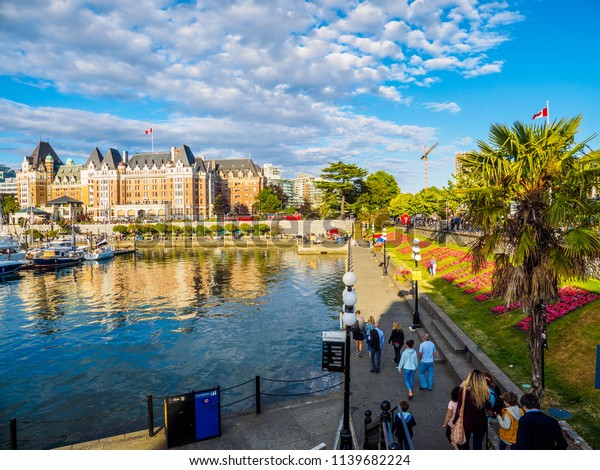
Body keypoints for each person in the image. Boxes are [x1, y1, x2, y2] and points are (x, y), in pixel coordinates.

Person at [453, 369, 492, 450]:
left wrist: (454, 421)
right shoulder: (485, 392)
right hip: (481, 423)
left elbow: (459, 409)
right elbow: (489, 410)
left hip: (467, 423)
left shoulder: (464, 391)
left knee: (465, 444)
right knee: (478, 445)